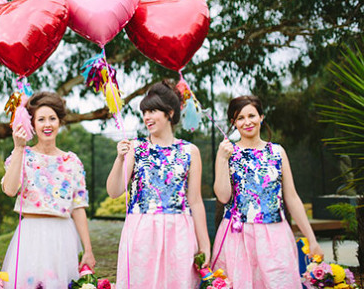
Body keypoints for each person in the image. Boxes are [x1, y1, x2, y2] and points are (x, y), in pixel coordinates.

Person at [212, 95, 324, 288]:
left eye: (252, 115)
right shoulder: (227, 153)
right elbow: (223, 196)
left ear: (261, 117)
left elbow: (292, 197)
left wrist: (311, 240)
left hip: (274, 235)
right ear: (233, 123)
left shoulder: (277, 152)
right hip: (237, 236)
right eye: (240, 118)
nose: (247, 122)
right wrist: (222, 159)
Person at [106, 80, 209, 288]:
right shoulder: (136, 148)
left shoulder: (190, 151)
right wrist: (119, 160)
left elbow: (195, 201)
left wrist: (205, 244)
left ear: (169, 113)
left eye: (152, 111)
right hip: (141, 230)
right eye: (145, 112)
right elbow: (114, 191)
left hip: (179, 230)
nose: (146, 117)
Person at [1, 92, 95, 289]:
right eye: (41, 119)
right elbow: (9, 190)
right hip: (31, 235)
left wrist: (88, 249)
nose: (47, 124)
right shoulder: (22, 155)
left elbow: (78, 207)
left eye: (52, 118)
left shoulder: (72, 161)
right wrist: (19, 148)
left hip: (63, 236)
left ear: (59, 122)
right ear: (32, 124)